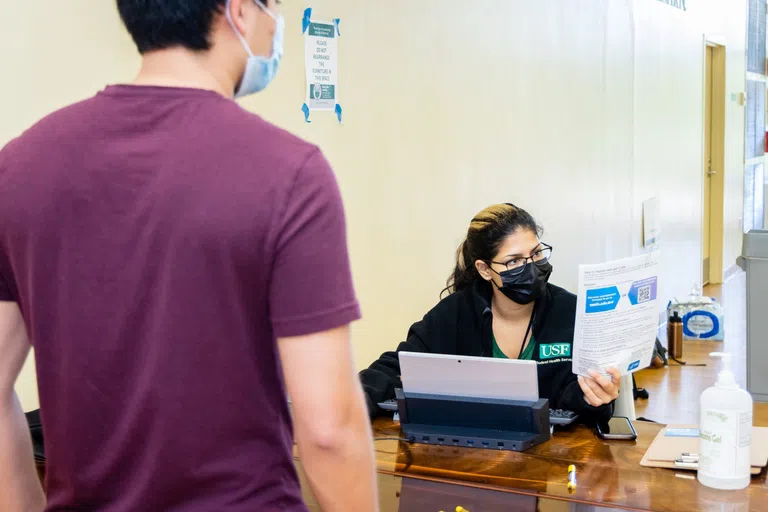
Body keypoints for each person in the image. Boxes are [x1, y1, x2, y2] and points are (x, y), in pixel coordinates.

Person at [0, 1, 378, 511]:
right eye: (275, 9)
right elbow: (329, 429)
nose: (275, 28)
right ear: (240, 11)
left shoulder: (20, 167)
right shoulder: (289, 174)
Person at [360, 203, 620, 422]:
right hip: (472, 457)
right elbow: (400, 365)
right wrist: (350, 401)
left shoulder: (572, 313)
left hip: (553, 462)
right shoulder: (455, 314)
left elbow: (581, 403)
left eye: (537, 253)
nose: (531, 267)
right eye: (514, 261)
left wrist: (594, 398)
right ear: (485, 270)